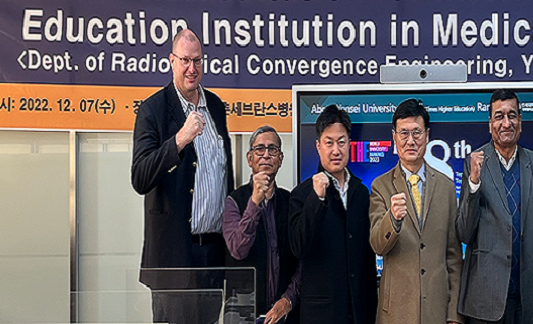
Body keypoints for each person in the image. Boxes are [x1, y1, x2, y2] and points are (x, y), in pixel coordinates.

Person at [131, 28, 233, 324]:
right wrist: (179, 140)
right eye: (185, 60)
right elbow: (140, 177)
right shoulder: (153, 109)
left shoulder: (216, 106)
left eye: (197, 60)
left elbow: (223, 173)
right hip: (174, 258)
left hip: (213, 256)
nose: (192, 68)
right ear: (171, 61)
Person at [457, 89, 533, 324]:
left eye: (512, 115)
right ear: (490, 123)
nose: (506, 123)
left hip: (526, 301)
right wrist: (474, 184)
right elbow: (464, 233)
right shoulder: (474, 163)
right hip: (484, 301)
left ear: (520, 121)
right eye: (499, 116)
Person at [368, 98, 463, 324]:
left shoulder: (446, 187)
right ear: (394, 136)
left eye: (417, 133)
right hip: (396, 313)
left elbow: (453, 257)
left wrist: (454, 315)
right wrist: (393, 219)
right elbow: (377, 245)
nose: (410, 141)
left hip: (437, 312)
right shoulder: (380, 186)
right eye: (404, 133)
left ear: (427, 136)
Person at [290, 105, 377, 324]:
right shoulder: (302, 194)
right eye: (329, 143)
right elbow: (299, 247)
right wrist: (317, 199)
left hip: (358, 313)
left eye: (341, 142)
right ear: (318, 146)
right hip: (322, 314)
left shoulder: (361, 192)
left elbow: (367, 260)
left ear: (350, 144)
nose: (336, 150)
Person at [223, 126, 300, 324]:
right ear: (250, 159)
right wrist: (255, 203)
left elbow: (302, 259)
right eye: (260, 149)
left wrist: (288, 299)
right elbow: (238, 249)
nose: (266, 155)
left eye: (272, 149)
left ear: (280, 159)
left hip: (284, 314)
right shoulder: (233, 201)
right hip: (243, 314)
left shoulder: (291, 202)